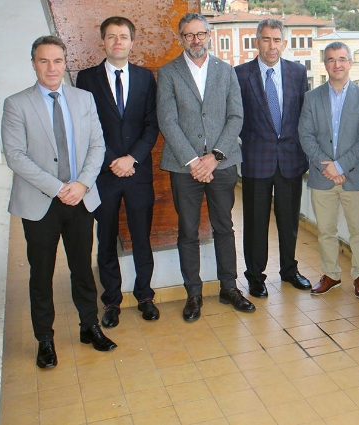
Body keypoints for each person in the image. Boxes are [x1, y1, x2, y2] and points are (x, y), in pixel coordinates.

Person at [2, 35, 116, 369]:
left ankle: (89, 326)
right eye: (44, 61)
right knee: (42, 272)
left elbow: (98, 145)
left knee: (82, 267)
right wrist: (57, 187)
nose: (51, 68)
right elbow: (15, 156)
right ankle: (45, 340)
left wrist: (81, 184)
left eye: (57, 61)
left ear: (66, 63)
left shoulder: (84, 99)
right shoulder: (16, 104)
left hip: (80, 198)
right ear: (34, 63)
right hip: (40, 202)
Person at [158, 13, 255, 322]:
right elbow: (167, 121)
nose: (195, 40)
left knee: (224, 226)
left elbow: (236, 117)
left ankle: (229, 287)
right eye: (189, 35)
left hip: (222, 163)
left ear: (209, 36)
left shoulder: (226, 72)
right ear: (180, 38)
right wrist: (192, 161)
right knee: (187, 230)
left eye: (200, 34)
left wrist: (214, 156)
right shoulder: (168, 73)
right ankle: (194, 294)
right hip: (183, 166)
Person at [76, 16, 160, 328]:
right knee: (107, 238)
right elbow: (87, 126)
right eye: (111, 37)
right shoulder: (87, 78)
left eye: (123, 37)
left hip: (138, 174)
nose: (117, 42)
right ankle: (111, 301)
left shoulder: (145, 77)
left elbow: (152, 125)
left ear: (132, 42)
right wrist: (114, 160)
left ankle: (145, 297)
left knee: (142, 238)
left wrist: (132, 158)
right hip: (104, 174)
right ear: (103, 41)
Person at [235, 18, 311, 298]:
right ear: (257, 41)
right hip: (257, 159)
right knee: (255, 223)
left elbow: (303, 115)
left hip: (291, 159)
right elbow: (237, 117)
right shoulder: (240, 74)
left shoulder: (297, 72)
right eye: (266, 39)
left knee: (289, 221)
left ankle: (290, 271)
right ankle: (255, 277)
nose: (271, 45)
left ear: (284, 43)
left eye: (277, 40)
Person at [298, 41, 359, 297]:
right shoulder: (311, 97)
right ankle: (331, 274)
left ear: (350, 63)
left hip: (352, 177)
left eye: (342, 59)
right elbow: (305, 135)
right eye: (331, 60)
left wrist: (340, 166)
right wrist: (328, 168)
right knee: (326, 231)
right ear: (325, 64)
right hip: (322, 178)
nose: (337, 64)